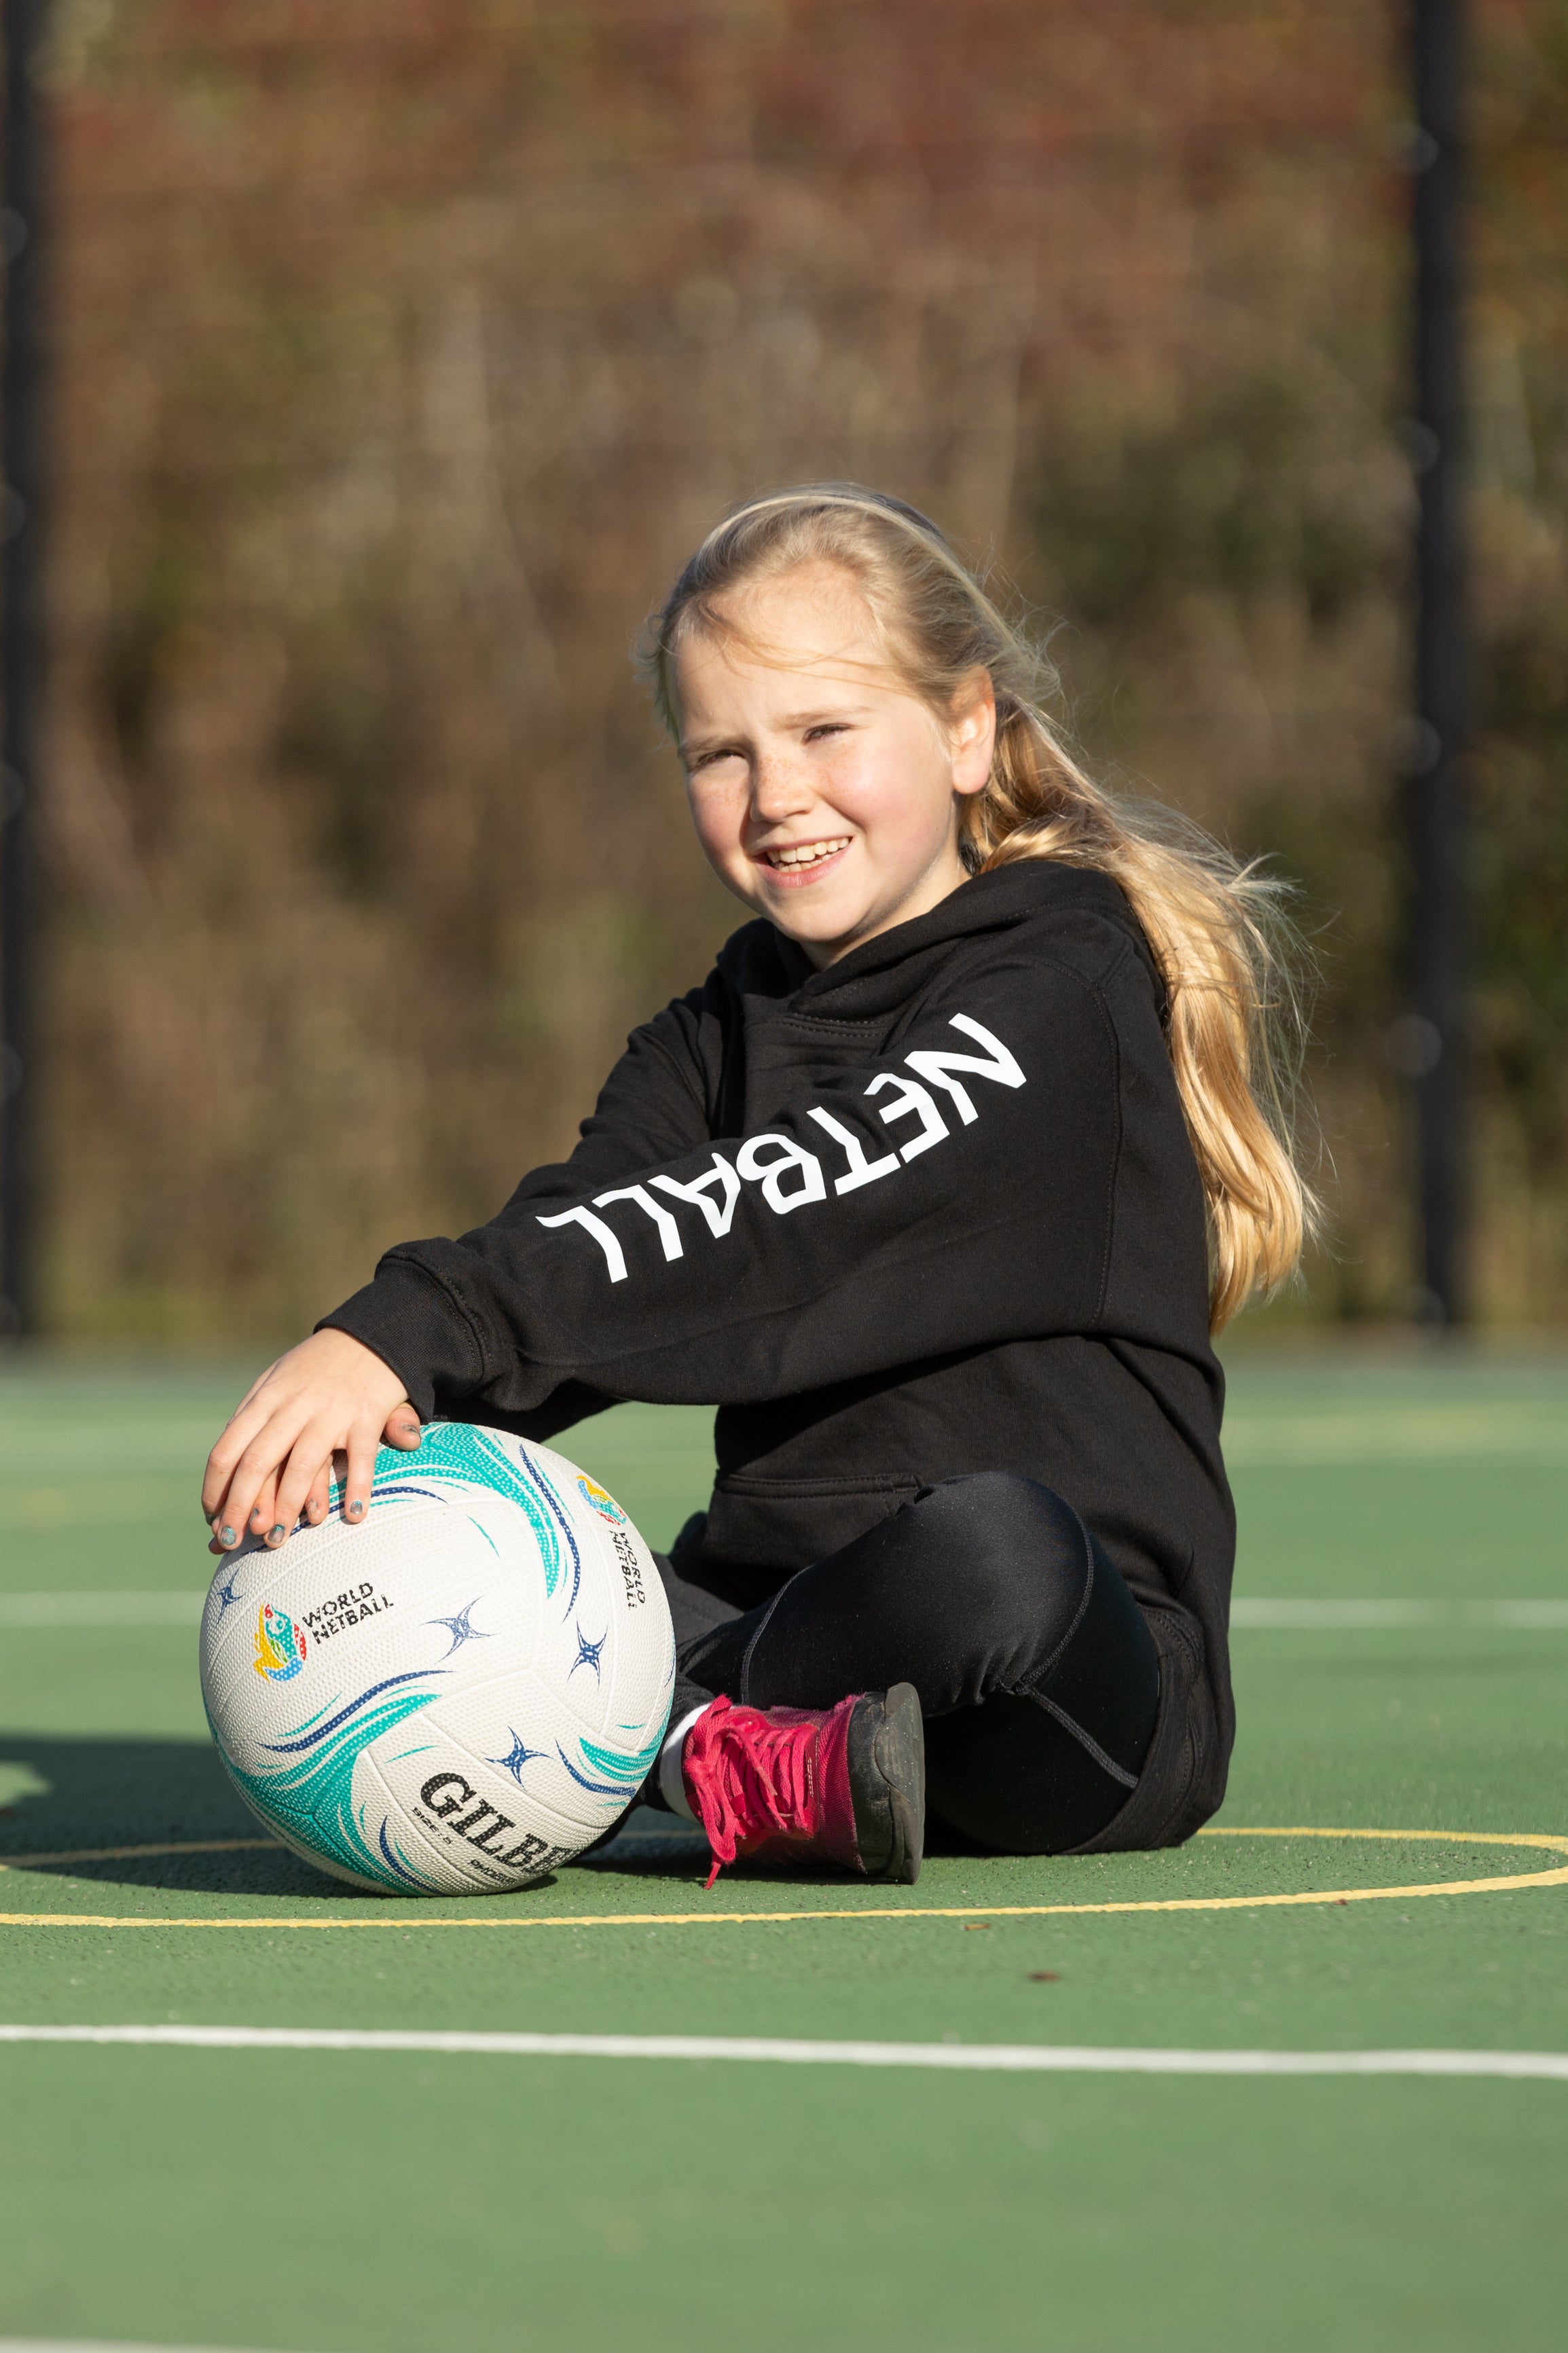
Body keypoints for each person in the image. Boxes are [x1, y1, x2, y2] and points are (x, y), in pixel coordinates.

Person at [201, 485, 1315, 1888]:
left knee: (999, 1549)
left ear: (968, 727)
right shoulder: (710, 1030)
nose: (776, 795)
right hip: (772, 1610)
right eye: (718, 754)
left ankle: (681, 1744)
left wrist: (422, 1318)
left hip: (1068, 1682)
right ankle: (741, 1761)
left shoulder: (1058, 988)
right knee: (399, 1566)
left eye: (825, 732)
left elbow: (799, 1210)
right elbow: (584, 1238)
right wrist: (373, 1411)